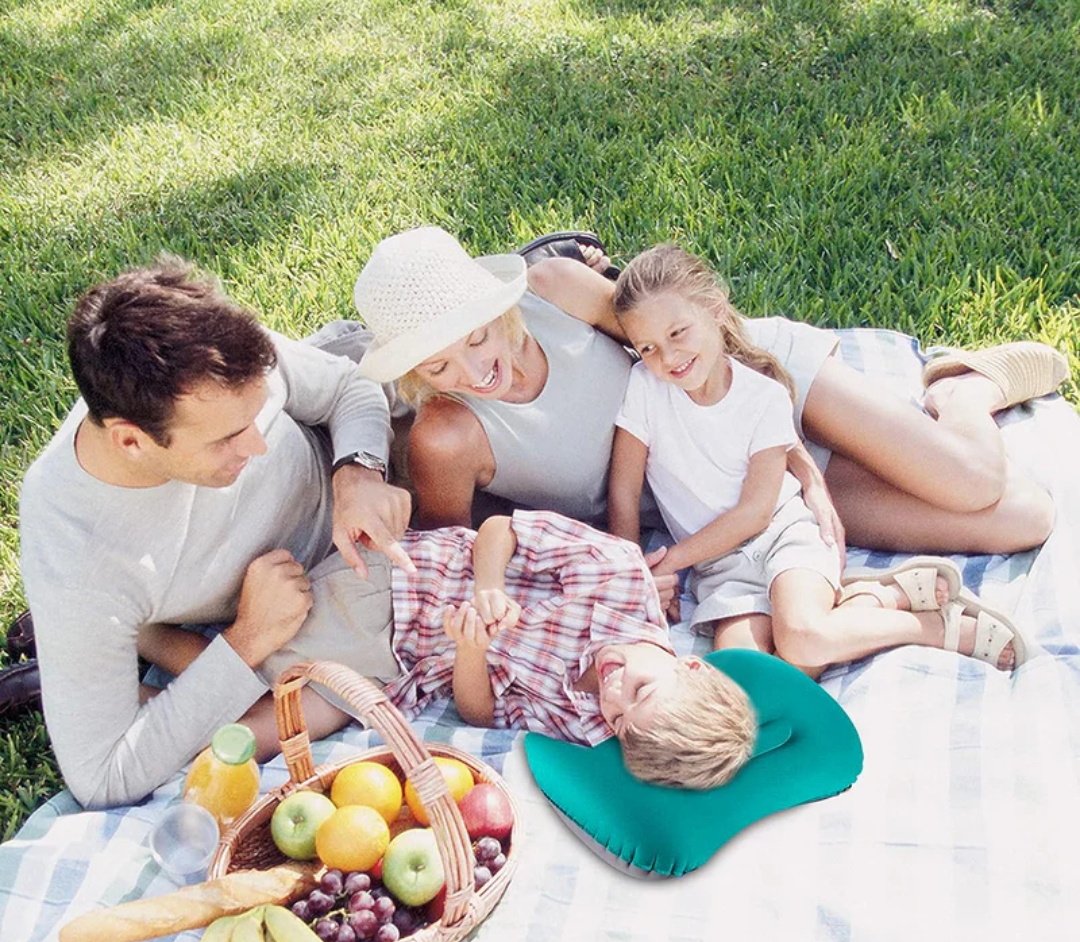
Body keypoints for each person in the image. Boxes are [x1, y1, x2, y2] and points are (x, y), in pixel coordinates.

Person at [354, 226, 1065, 559]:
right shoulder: (446, 437)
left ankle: (963, 391)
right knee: (1021, 517)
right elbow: (463, 551)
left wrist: (791, 446)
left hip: (753, 380)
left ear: (498, 307)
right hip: (718, 483)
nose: (475, 374)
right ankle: (957, 399)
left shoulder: (555, 288)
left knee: (971, 480)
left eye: (478, 339)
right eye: (439, 368)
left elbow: (670, 337)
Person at [18, 256, 414, 809]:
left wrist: (357, 471)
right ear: (131, 442)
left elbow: (349, 388)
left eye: (258, 415)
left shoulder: (216, 368)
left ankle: (127, 646)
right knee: (328, 692)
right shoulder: (81, 556)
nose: (258, 446)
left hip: (367, 481)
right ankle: (94, 661)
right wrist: (250, 636)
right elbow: (102, 777)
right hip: (315, 599)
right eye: (229, 438)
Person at [606, 245, 1030, 676]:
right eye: (648, 347)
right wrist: (634, 573)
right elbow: (624, 494)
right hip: (720, 567)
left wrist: (669, 561)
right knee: (749, 680)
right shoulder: (645, 387)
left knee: (804, 641)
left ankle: (925, 625)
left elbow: (756, 512)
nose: (668, 357)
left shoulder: (763, 396)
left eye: (678, 333)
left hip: (784, 535)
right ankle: (873, 598)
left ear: (714, 309)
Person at [148, 510, 759, 791]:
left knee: (279, 730)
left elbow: (480, 714)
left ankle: (149, 707)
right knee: (266, 680)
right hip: (400, 590)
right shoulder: (616, 574)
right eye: (641, 691)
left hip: (403, 666)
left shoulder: (591, 721)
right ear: (690, 661)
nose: (614, 693)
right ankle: (135, 634)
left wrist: (472, 650)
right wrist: (488, 589)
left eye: (622, 718)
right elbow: (499, 531)